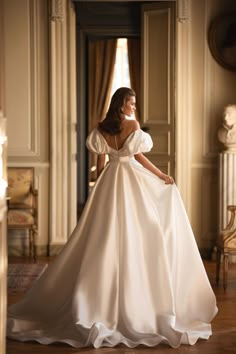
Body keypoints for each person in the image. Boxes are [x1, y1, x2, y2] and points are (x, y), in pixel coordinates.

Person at [7, 87, 218, 349]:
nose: (133, 106)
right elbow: (139, 157)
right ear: (121, 103)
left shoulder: (102, 127)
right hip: (129, 178)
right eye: (131, 102)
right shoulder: (132, 125)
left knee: (104, 232)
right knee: (135, 231)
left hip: (109, 179)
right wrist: (161, 175)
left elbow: (101, 158)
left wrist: (97, 180)